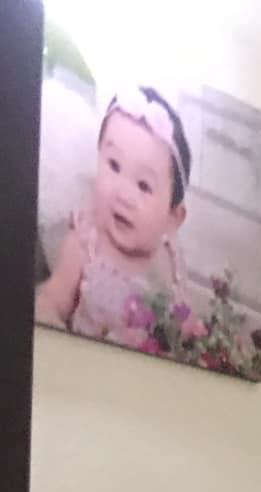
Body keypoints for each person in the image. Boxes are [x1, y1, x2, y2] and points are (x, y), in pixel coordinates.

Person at [34, 87, 193, 345]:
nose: (123, 195)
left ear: (172, 218)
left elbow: (184, 321)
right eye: (114, 165)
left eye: (144, 186)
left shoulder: (171, 257)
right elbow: (52, 301)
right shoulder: (86, 244)